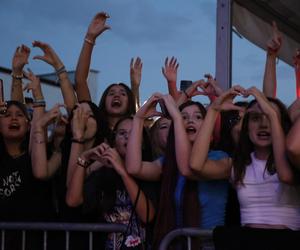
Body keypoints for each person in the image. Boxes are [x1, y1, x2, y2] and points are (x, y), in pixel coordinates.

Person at [189, 86, 300, 249]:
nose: (263, 124)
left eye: (269, 117)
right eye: (255, 118)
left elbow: (285, 174)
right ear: (246, 127)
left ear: (280, 123)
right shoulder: (237, 164)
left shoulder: (293, 161)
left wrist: (271, 113)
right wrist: (213, 111)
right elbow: (196, 165)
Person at [126, 92, 229, 249]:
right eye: (184, 117)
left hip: (209, 244)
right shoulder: (169, 163)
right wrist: (139, 119)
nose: (189, 121)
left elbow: (190, 168)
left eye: (198, 117)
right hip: (178, 243)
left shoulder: (219, 158)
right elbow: (134, 168)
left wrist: (177, 117)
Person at [66, 116, 156, 250]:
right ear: (114, 142)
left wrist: (123, 172)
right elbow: (72, 201)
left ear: (142, 142)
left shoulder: (149, 171)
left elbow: (147, 216)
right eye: (122, 133)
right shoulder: (103, 173)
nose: (127, 137)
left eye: (134, 133)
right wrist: (84, 158)